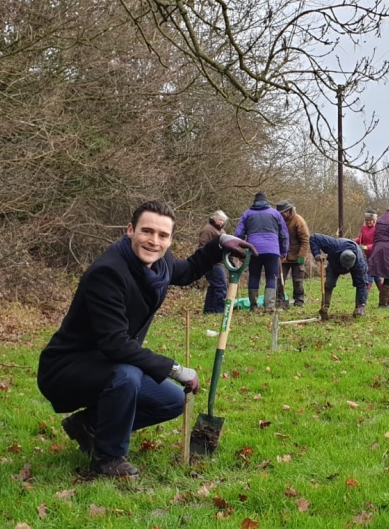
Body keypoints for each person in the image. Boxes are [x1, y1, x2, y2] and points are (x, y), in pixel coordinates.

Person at [37, 200, 256, 477]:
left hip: (107, 364)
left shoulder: (160, 263)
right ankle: (108, 458)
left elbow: (186, 271)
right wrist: (175, 369)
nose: (154, 241)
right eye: (147, 231)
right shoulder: (108, 273)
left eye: (163, 235)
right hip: (67, 370)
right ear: (130, 230)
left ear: (169, 239)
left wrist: (219, 243)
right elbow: (116, 344)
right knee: (127, 374)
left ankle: (89, 426)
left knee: (172, 400)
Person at [235, 192, 289, 313]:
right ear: (267, 201)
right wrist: (284, 251)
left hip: (254, 250)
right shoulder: (275, 214)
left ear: (254, 201)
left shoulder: (247, 214)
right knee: (271, 277)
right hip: (272, 250)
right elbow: (284, 235)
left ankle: (253, 307)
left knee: (254, 276)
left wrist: (239, 252)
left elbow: (238, 234)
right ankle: (269, 307)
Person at [310, 233, 368, 317]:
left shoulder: (360, 263)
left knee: (361, 283)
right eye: (345, 266)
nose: (346, 269)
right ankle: (324, 307)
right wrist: (316, 254)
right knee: (329, 285)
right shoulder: (333, 245)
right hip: (334, 264)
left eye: (348, 267)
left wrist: (361, 306)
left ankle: (359, 309)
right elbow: (314, 237)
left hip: (355, 266)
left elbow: (362, 285)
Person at [275, 200, 310, 309]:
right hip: (283, 256)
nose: (281, 214)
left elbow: (305, 239)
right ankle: (279, 300)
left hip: (296, 256)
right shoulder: (278, 221)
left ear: (289, 211)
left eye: (283, 212)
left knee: (298, 280)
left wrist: (302, 256)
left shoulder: (298, 221)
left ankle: (299, 300)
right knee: (279, 280)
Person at [198, 210, 229, 314]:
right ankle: (218, 311)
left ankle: (209, 310)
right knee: (221, 286)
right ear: (214, 218)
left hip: (220, 262)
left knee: (214, 286)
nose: (221, 222)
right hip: (210, 262)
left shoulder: (223, 232)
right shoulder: (207, 230)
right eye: (220, 220)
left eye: (223, 221)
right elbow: (202, 246)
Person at [355, 208, 383, 294]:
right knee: (376, 276)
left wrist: (367, 247)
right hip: (366, 256)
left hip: (376, 255)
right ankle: (385, 296)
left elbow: (378, 243)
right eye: (367, 220)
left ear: (374, 220)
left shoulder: (378, 229)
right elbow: (360, 239)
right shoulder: (363, 228)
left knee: (369, 274)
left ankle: (365, 295)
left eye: (370, 220)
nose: (368, 222)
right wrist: (352, 241)